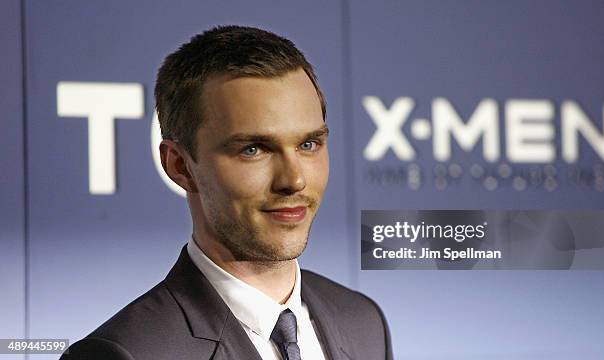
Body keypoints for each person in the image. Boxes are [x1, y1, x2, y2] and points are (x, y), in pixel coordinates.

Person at [61, 25, 392, 360]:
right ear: (179, 165)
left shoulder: (364, 322)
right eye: (253, 149)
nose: (294, 180)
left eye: (308, 144)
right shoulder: (127, 352)